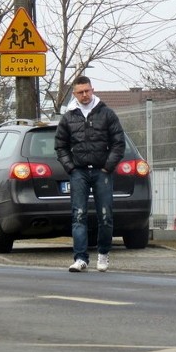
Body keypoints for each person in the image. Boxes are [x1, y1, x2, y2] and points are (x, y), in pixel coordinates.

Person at [56, 76, 126, 272]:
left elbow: (118, 143)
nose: (85, 95)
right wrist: (70, 167)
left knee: (105, 215)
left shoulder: (107, 114)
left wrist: (107, 167)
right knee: (78, 215)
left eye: (87, 91)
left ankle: (103, 254)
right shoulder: (68, 117)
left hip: (101, 172)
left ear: (92, 89)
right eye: (80, 92)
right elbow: (60, 146)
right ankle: (80, 258)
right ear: (74, 94)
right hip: (79, 172)